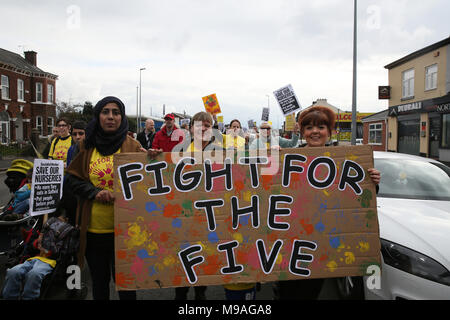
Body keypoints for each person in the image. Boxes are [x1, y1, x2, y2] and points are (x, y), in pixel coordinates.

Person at [274, 105, 381, 300]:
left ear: (330, 131)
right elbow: (266, 191)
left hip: (322, 243)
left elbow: (358, 199)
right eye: (309, 127)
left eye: (321, 127)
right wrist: (272, 160)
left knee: (309, 292)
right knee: (285, 292)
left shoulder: (347, 159)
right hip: (291, 241)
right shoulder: (287, 158)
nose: (315, 131)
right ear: (303, 132)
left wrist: (371, 182)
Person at [66, 96, 143, 300]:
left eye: (116, 112)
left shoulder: (133, 146)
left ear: (122, 117)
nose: (111, 117)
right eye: (105, 112)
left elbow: (149, 183)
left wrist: (155, 158)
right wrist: (94, 192)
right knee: (99, 283)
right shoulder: (85, 145)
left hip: (126, 231)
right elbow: (72, 179)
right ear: (98, 115)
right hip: (94, 230)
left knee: (126, 285)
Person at [1, 214, 69, 300]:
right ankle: (9, 297)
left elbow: (62, 253)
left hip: (49, 262)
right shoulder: (44, 233)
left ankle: (28, 298)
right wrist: (36, 243)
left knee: (34, 274)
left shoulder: (65, 237)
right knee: (13, 272)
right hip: (34, 259)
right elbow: (30, 247)